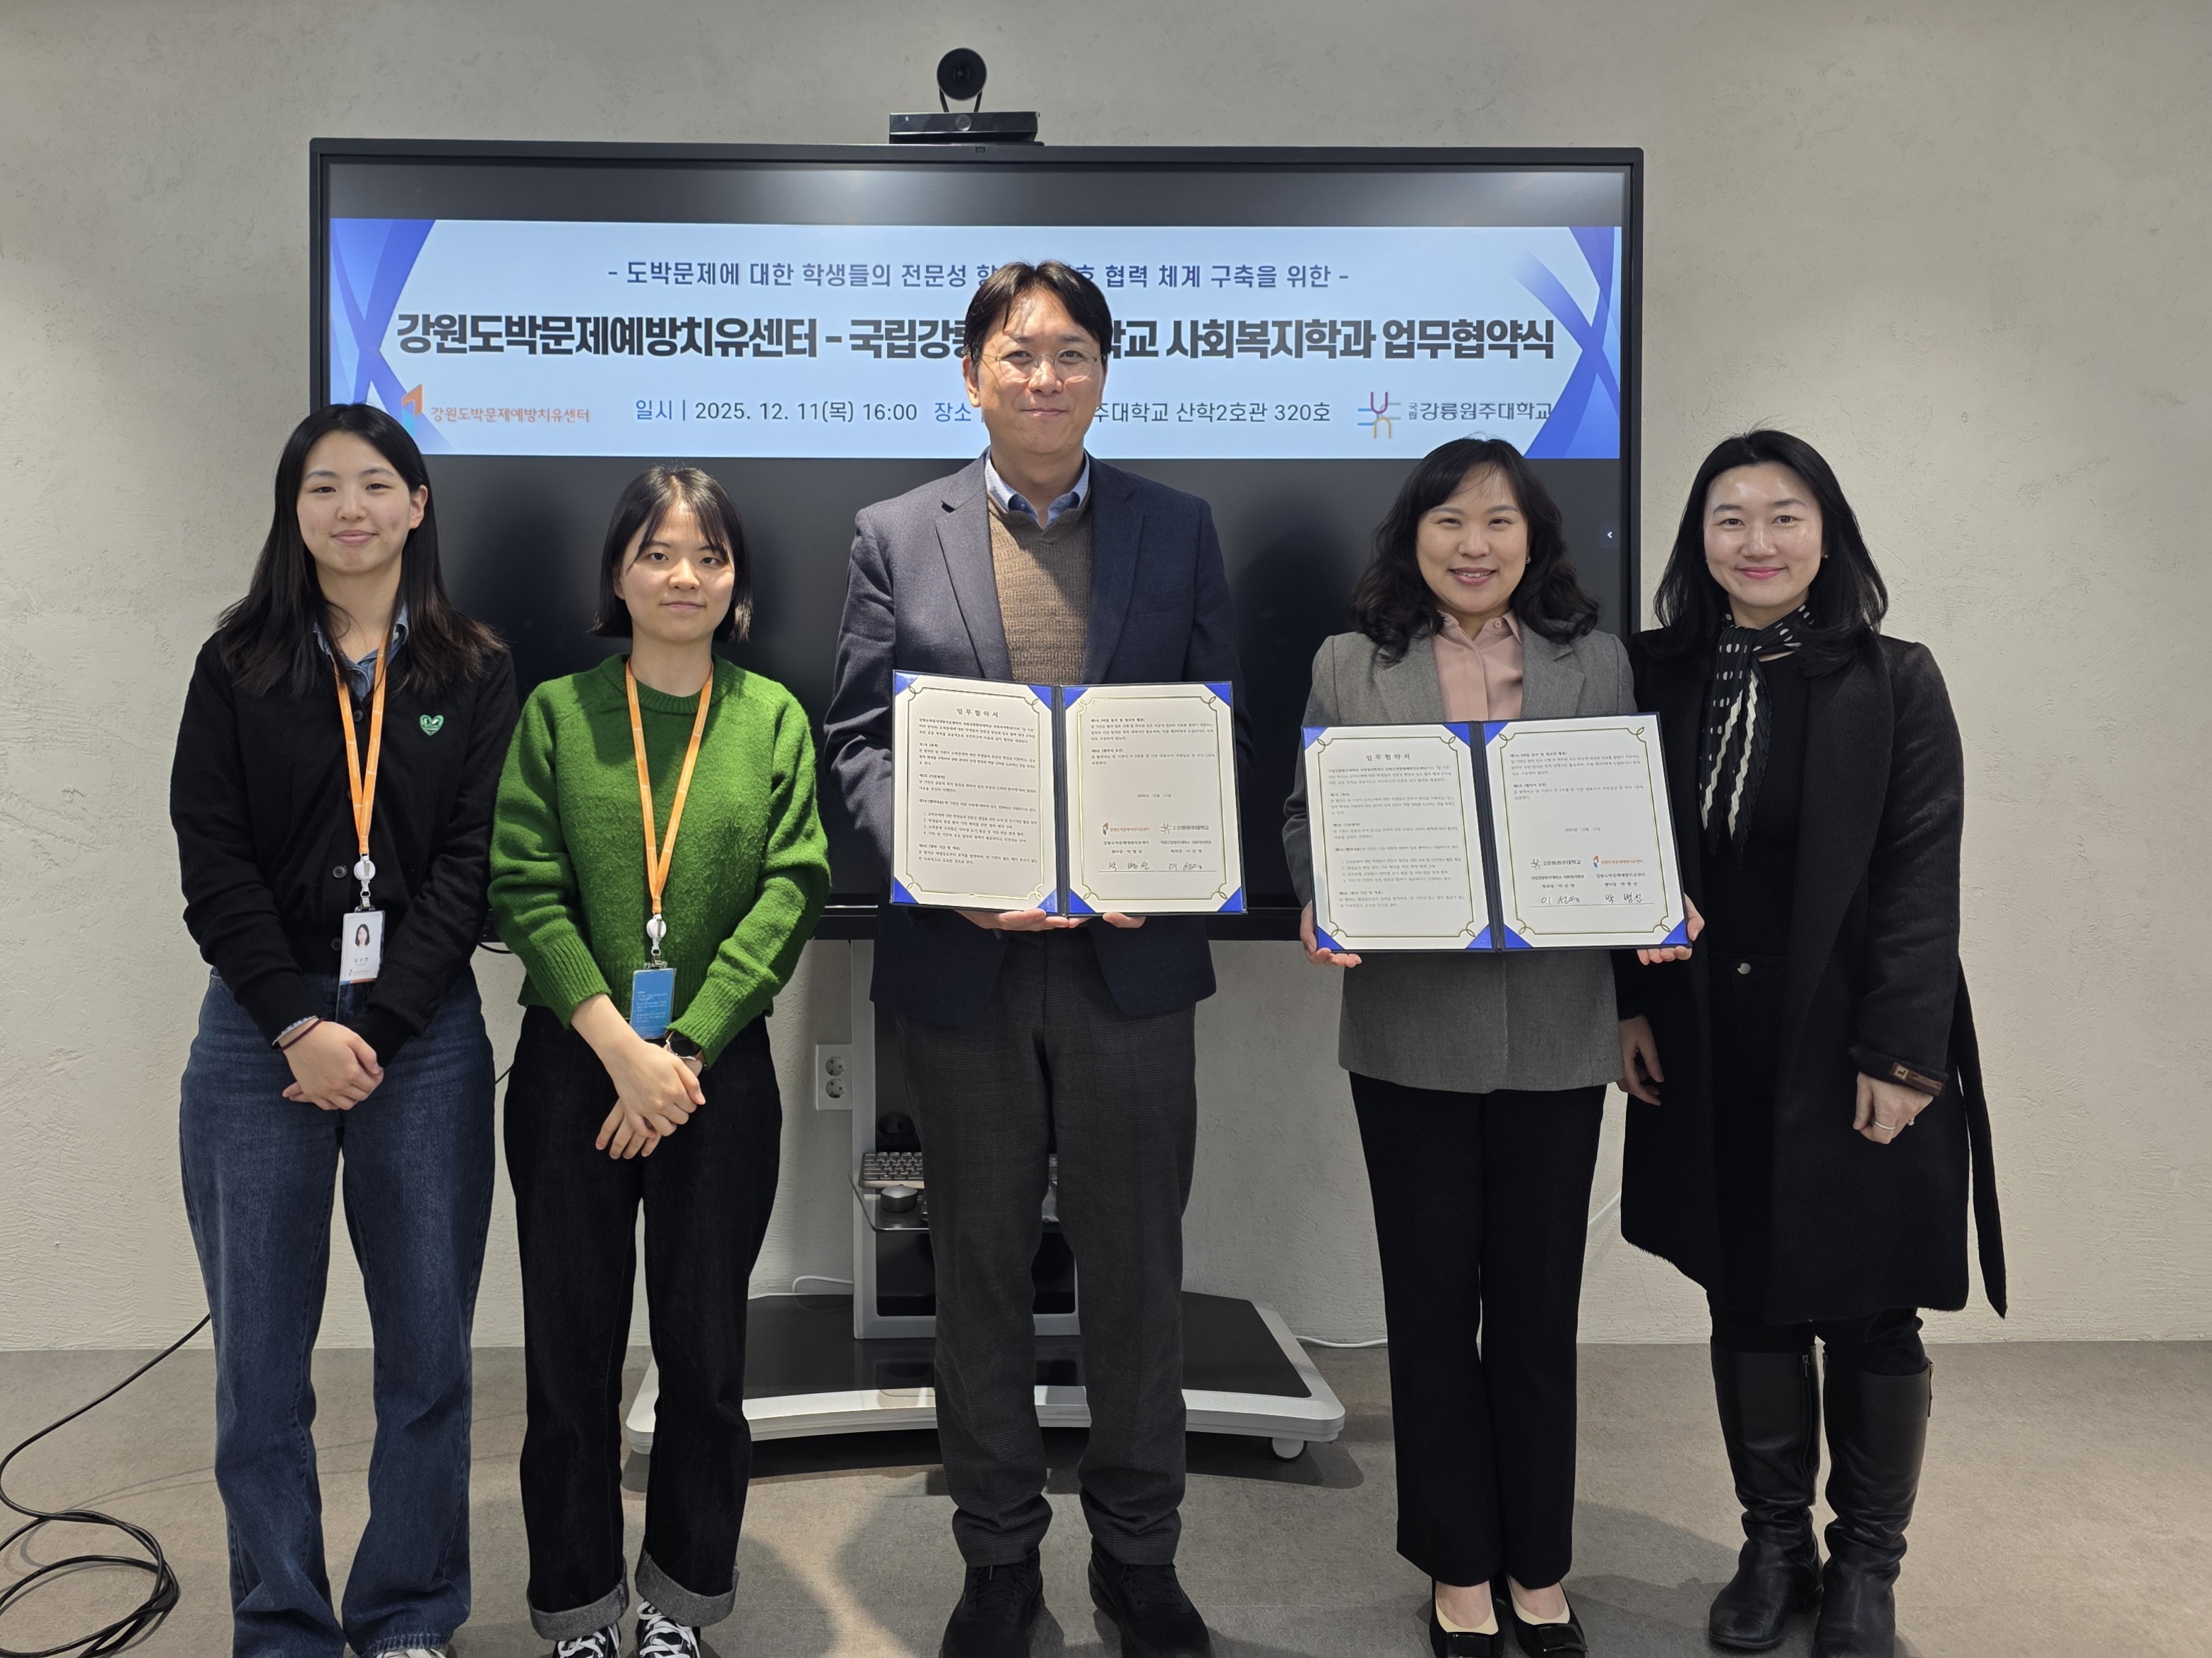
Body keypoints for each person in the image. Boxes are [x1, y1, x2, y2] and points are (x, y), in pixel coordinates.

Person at [826, 261, 1240, 1658]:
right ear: (972, 374)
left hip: (1132, 959)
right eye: (1018, 352)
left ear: (1104, 374)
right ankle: (997, 1558)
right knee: (980, 1273)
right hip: (968, 964)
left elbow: (1218, 727)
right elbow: (857, 744)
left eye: (1071, 353)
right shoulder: (895, 533)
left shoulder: (1179, 528)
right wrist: (948, 870)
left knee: (1136, 1275)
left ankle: (1138, 1558)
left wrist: (1161, 858)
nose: (1045, 375)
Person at [1281, 437, 1676, 1658]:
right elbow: (1306, 811)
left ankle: (1538, 1569)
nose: (1474, 544)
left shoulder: (1595, 661)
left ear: (1533, 539)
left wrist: (1651, 900)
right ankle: (1460, 1569)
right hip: (1408, 1030)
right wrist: (1319, 891)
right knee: (1431, 1307)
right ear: (1412, 537)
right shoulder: (1349, 664)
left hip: (1558, 1029)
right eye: (1449, 520)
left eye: (1499, 521)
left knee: (1540, 1312)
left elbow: (1628, 816)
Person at [1614, 430, 2003, 1658]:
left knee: (1873, 1307)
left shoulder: (1895, 680)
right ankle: (1774, 1544)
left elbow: (1920, 875)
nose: (1759, 541)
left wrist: (1902, 1056)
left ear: (1827, 536)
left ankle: (1867, 1565)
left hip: (1853, 1038)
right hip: (1708, 1033)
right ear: (1699, 542)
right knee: (1748, 1290)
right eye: (1730, 519)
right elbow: (1616, 855)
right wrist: (1628, 1004)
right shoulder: (1653, 673)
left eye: (1785, 516)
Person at [172, 402, 516, 1658]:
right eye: (322, 486)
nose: (350, 508)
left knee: (427, 1355)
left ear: (418, 505)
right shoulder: (238, 663)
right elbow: (212, 861)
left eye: (376, 484)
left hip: (421, 1041)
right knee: (260, 1367)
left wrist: (379, 1022)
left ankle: (409, 1613)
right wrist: (295, 1023)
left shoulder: (474, 668)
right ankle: (283, 1625)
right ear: (293, 510)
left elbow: (473, 866)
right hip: (257, 1035)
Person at [491, 465, 829, 1658]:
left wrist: (678, 1053)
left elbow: (794, 888)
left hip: (714, 1077)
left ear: (737, 582)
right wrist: (621, 1049)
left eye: (709, 556)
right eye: (657, 553)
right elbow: (522, 885)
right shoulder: (556, 713)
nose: (684, 576)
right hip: (573, 1069)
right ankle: (579, 1608)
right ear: (618, 575)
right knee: (569, 1358)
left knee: (705, 1358)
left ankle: (681, 1603)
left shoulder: (773, 717)